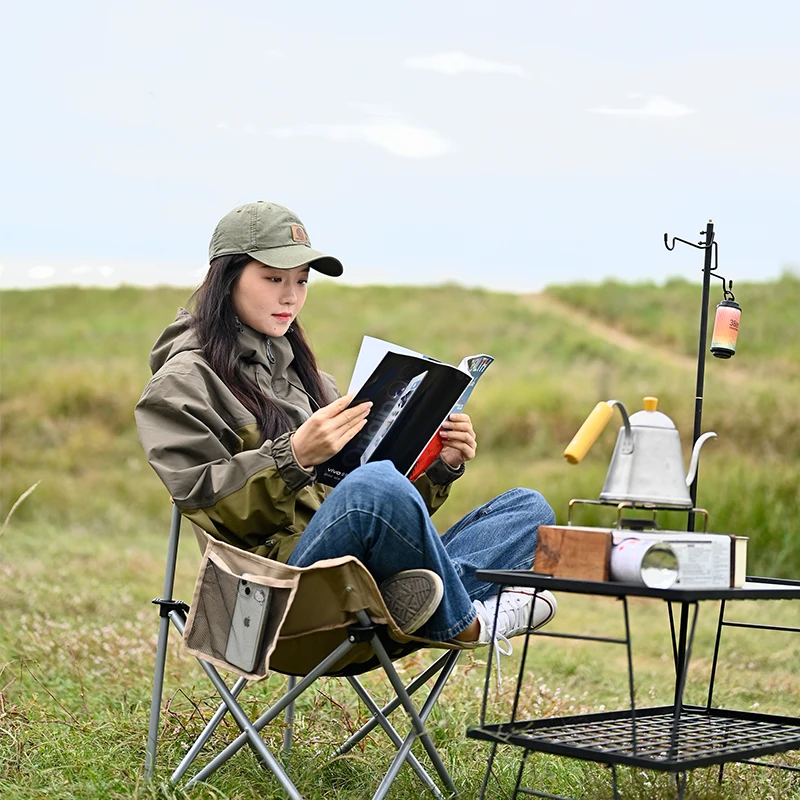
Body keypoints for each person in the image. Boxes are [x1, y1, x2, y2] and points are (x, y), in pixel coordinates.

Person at [135, 200, 557, 650]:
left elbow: (374, 512)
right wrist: (293, 457)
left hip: (354, 579)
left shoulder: (312, 380)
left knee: (528, 510)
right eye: (273, 278)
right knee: (376, 486)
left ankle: (423, 606)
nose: (290, 296)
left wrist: (439, 466)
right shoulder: (183, 383)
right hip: (275, 596)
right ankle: (468, 621)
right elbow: (205, 502)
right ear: (225, 278)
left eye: (301, 281)